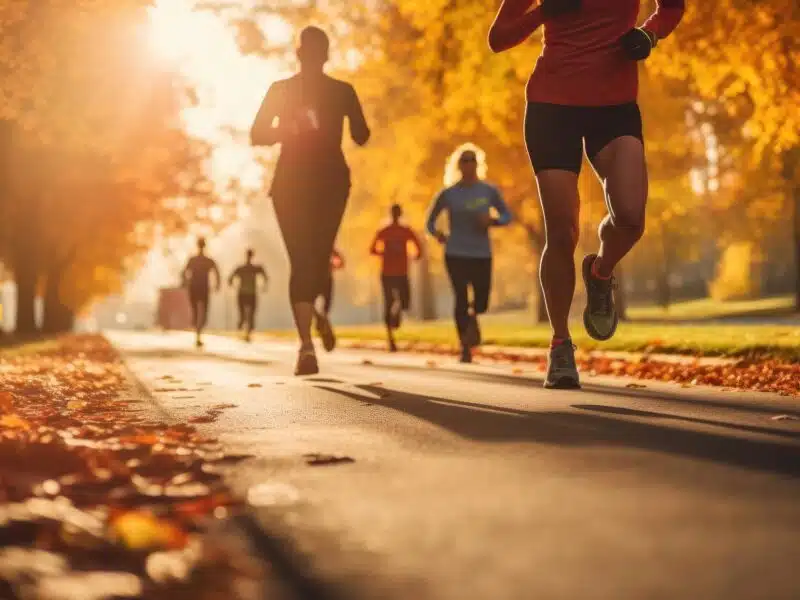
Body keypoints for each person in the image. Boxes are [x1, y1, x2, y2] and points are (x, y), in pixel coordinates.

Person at [488, 0, 685, 389]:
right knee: (562, 232)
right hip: (551, 106)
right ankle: (561, 346)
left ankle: (600, 272)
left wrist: (649, 34)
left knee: (630, 216)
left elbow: (673, 8)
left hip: (614, 106)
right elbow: (498, 39)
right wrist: (546, 11)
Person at [250, 26, 370, 376]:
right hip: (312, 184)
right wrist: (291, 130)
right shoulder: (337, 91)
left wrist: (283, 132)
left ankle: (307, 336)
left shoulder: (290, 89)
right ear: (326, 54)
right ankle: (306, 341)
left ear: (298, 53)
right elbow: (362, 136)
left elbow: (257, 134)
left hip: (308, 184)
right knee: (311, 258)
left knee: (310, 259)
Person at [426, 146, 512, 364]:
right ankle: (464, 346)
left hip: (482, 253)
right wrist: (437, 234)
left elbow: (507, 215)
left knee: (481, 301)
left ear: (478, 164)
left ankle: (474, 319)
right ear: (458, 165)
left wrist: (493, 221)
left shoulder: (488, 191)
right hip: (456, 252)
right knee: (461, 298)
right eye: (464, 160)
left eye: (472, 160)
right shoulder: (448, 193)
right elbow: (429, 221)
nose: (468, 164)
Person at [370, 204, 422, 352]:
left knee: (403, 302)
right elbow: (372, 249)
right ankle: (390, 339)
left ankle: (396, 313)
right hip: (389, 272)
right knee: (390, 302)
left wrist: (384, 254)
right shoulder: (386, 231)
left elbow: (373, 250)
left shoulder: (403, 231)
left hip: (399, 271)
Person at [181, 237, 220, 348]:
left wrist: (184, 282)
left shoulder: (193, 260)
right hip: (203, 288)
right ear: (204, 245)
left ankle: (198, 334)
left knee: (196, 312)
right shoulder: (208, 260)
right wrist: (217, 284)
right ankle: (198, 333)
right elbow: (217, 272)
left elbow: (184, 272)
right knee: (203, 312)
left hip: (194, 288)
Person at [228, 248, 268, 342]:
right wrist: (264, 286)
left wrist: (232, 285)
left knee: (246, 314)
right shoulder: (254, 268)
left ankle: (246, 330)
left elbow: (230, 279)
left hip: (243, 293)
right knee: (250, 314)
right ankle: (247, 331)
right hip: (250, 293)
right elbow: (265, 276)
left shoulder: (243, 268)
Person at [315, 248, 344, 350]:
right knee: (323, 307)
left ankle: (321, 320)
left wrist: (334, 265)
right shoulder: (327, 246)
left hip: (321, 278)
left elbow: (341, 262)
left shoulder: (326, 246)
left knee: (319, 306)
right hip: (323, 278)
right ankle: (321, 320)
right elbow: (341, 262)